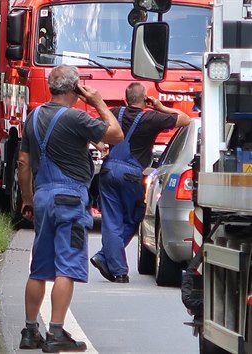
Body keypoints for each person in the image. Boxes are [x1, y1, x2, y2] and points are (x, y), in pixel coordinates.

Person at [17, 64, 123, 352]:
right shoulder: (77, 117)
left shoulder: (33, 116)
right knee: (67, 266)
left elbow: (23, 163)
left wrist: (27, 198)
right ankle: (55, 333)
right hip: (70, 199)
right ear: (75, 88)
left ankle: (29, 332)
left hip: (42, 197)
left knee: (39, 268)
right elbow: (116, 134)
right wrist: (98, 101)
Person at [90, 82, 191, 283]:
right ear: (145, 99)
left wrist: (100, 145)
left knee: (111, 220)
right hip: (131, 175)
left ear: (126, 98)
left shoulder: (114, 112)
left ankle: (107, 258)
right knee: (134, 217)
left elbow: (87, 128)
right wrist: (160, 107)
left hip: (109, 170)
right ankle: (115, 268)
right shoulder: (151, 117)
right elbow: (186, 119)